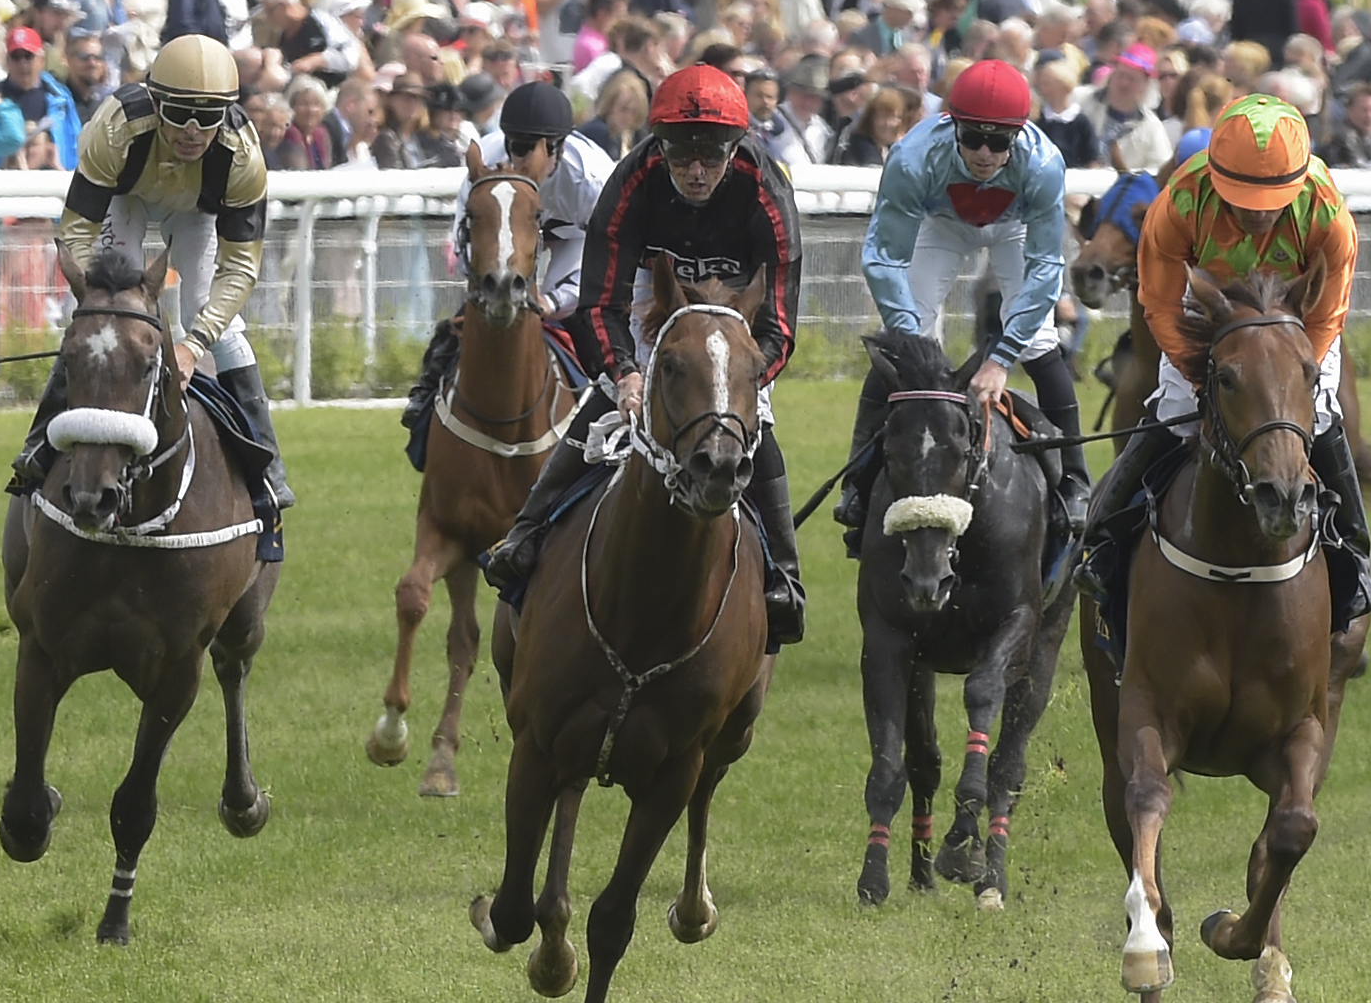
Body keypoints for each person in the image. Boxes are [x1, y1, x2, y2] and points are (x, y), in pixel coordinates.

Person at [481, 61, 808, 649]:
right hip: (652, 296)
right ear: (660, 146)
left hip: (738, 314)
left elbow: (779, 324)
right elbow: (598, 302)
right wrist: (625, 373)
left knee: (752, 424)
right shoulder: (633, 182)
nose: (698, 171)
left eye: (712, 155)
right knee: (603, 408)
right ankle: (524, 537)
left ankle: (784, 575)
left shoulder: (767, 194)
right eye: (682, 155)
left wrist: (744, 379)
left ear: (737, 146)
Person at [1074, 95, 1371, 653]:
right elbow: (1160, 306)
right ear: (1216, 176)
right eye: (1245, 200)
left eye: (1270, 201)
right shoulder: (1179, 204)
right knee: (1171, 413)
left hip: (1297, 325)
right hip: (1203, 317)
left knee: (1324, 415)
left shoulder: (1327, 212)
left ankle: (1355, 556)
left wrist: (1284, 377)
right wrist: (1200, 379)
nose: (1259, 213)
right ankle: (1103, 543)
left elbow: (1329, 313)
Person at [0, 29, 291, 559]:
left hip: (197, 212)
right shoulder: (115, 129)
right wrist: (99, 304)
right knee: (99, 326)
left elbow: (241, 266)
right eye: (180, 113)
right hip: (125, 200)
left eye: (210, 116)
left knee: (212, 312)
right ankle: (40, 443)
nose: (194, 130)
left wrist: (191, 345)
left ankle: (267, 469)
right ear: (156, 103)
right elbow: (77, 234)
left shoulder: (241, 155)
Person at [852, 55, 1083, 541]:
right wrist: (909, 338)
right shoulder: (912, 159)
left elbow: (1045, 270)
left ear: (1018, 136)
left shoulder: (1042, 166)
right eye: (972, 137)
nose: (984, 152)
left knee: (1039, 343)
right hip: (942, 224)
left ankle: (1076, 483)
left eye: (998, 141)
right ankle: (859, 478)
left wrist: (1000, 359)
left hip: (1015, 227)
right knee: (904, 340)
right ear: (950, 126)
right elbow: (883, 258)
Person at [401, 74, 605, 470]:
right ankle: (427, 396)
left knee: (585, 321)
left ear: (557, 148)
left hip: (579, 243)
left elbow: (607, 263)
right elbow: (465, 250)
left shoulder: (593, 182)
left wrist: (554, 300)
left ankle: (607, 402)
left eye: (530, 149)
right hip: (515, 237)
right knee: (473, 312)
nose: (518, 156)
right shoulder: (486, 159)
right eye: (515, 145)